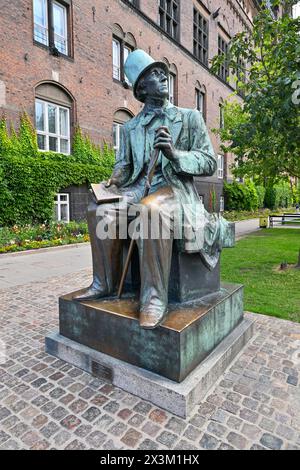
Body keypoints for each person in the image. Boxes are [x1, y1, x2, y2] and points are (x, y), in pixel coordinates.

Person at [75, 49, 232, 329]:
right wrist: (113, 180)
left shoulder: (189, 117)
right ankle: (105, 284)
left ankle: (153, 298)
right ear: (141, 88)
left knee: (150, 210)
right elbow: (124, 165)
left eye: (162, 73)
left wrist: (174, 154)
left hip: (173, 190)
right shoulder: (131, 127)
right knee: (99, 211)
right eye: (154, 75)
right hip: (137, 187)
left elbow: (209, 161)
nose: (162, 77)